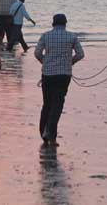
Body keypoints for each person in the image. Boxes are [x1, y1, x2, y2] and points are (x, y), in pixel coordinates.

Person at [34, 14, 84, 146]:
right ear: (65, 24)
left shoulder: (45, 36)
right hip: (63, 75)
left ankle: (44, 133)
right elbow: (80, 54)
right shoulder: (72, 36)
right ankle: (51, 135)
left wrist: (45, 62)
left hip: (48, 75)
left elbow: (37, 53)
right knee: (57, 104)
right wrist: (70, 62)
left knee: (47, 104)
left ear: (53, 23)